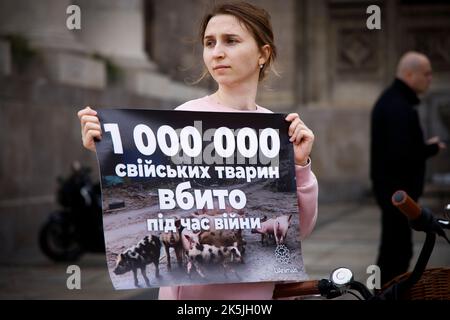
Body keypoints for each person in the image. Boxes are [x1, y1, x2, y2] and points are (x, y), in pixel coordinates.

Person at [78, 1, 318, 300]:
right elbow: (149, 190)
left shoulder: (278, 130)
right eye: (209, 42)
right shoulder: (185, 117)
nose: (216, 52)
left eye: (231, 41)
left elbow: (298, 230)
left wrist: (300, 165)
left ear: (263, 54)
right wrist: (107, 147)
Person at [370, 51, 446, 286]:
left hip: (394, 193)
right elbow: (401, 154)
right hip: (397, 195)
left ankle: (386, 292)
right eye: (426, 73)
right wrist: (429, 149)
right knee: (396, 254)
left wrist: (424, 148)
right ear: (409, 74)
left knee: (396, 250)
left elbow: (401, 148)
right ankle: (387, 293)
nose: (430, 78)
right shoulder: (397, 106)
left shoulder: (395, 100)